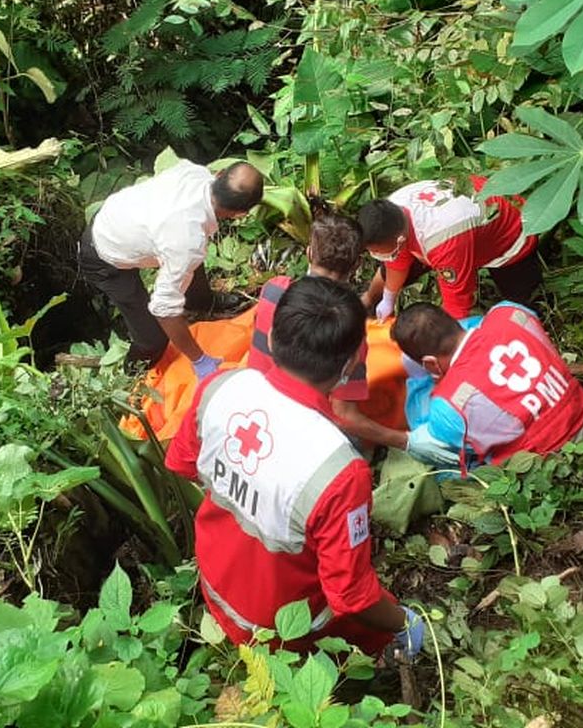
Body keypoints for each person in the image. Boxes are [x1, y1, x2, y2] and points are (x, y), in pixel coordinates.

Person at [164, 276, 424, 657]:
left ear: (270, 339)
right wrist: (404, 621)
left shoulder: (219, 388)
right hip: (286, 629)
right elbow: (351, 595)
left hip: (217, 587)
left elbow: (183, 464)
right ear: (353, 361)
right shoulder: (339, 468)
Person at [78, 159, 263, 379]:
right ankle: (133, 372)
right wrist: (199, 359)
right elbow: (163, 308)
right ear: (240, 214)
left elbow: (184, 246)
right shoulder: (186, 239)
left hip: (123, 221)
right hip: (104, 258)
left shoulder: (193, 172)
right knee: (152, 339)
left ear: (219, 174)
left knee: (190, 261)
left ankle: (202, 302)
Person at [248, 214, 408, 450]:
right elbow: (344, 414)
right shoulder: (347, 329)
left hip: (254, 398)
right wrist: (405, 441)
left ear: (310, 253)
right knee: (352, 441)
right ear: (357, 265)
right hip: (296, 420)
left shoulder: (274, 289)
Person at [391, 301, 583, 473]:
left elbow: (429, 445)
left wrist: (420, 381)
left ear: (430, 362)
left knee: (440, 463)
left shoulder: (449, 406)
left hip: (553, 471)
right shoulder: (510, 312)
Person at [358, 176, 541, 322]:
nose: (375, 256)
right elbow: (396, 263)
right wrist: (388, 299)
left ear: (400, 239)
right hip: (471, 214)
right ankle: (367, 300)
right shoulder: (390, 210)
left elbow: (458, 305)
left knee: (520, 305)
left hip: (511, 233)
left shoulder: (444, 240)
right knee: (394, 266)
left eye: (378, 251)